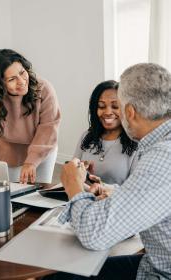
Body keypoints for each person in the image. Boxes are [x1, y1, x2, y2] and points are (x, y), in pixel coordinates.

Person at [46, 63, 171, 280]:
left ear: (129, 112)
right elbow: (148, 194)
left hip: (161, 273)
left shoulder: (162, 157)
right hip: (154, 261)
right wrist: (110, 190)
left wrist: (75, 187)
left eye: (118, 107)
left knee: (59, 277)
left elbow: (94, 236)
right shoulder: (157, 145)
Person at [0, 49, 60, 184]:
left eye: (22, 72)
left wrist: (31, 162)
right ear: (0, 84)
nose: (21, 81)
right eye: (12, 79)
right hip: (8, 155)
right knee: (11, 196)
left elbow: (48, 128)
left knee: (40, 195)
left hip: (42, 149)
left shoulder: (44, 89)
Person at [74, 80, 138, 185]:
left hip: (116, 200)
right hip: (83, 198)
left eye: (115, 106)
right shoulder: (86, 136)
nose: (108, 112)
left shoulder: (137, 143)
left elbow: (134, 191)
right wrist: (81, 175)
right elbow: (72, 175)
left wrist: (101, 187)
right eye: (101, 106)